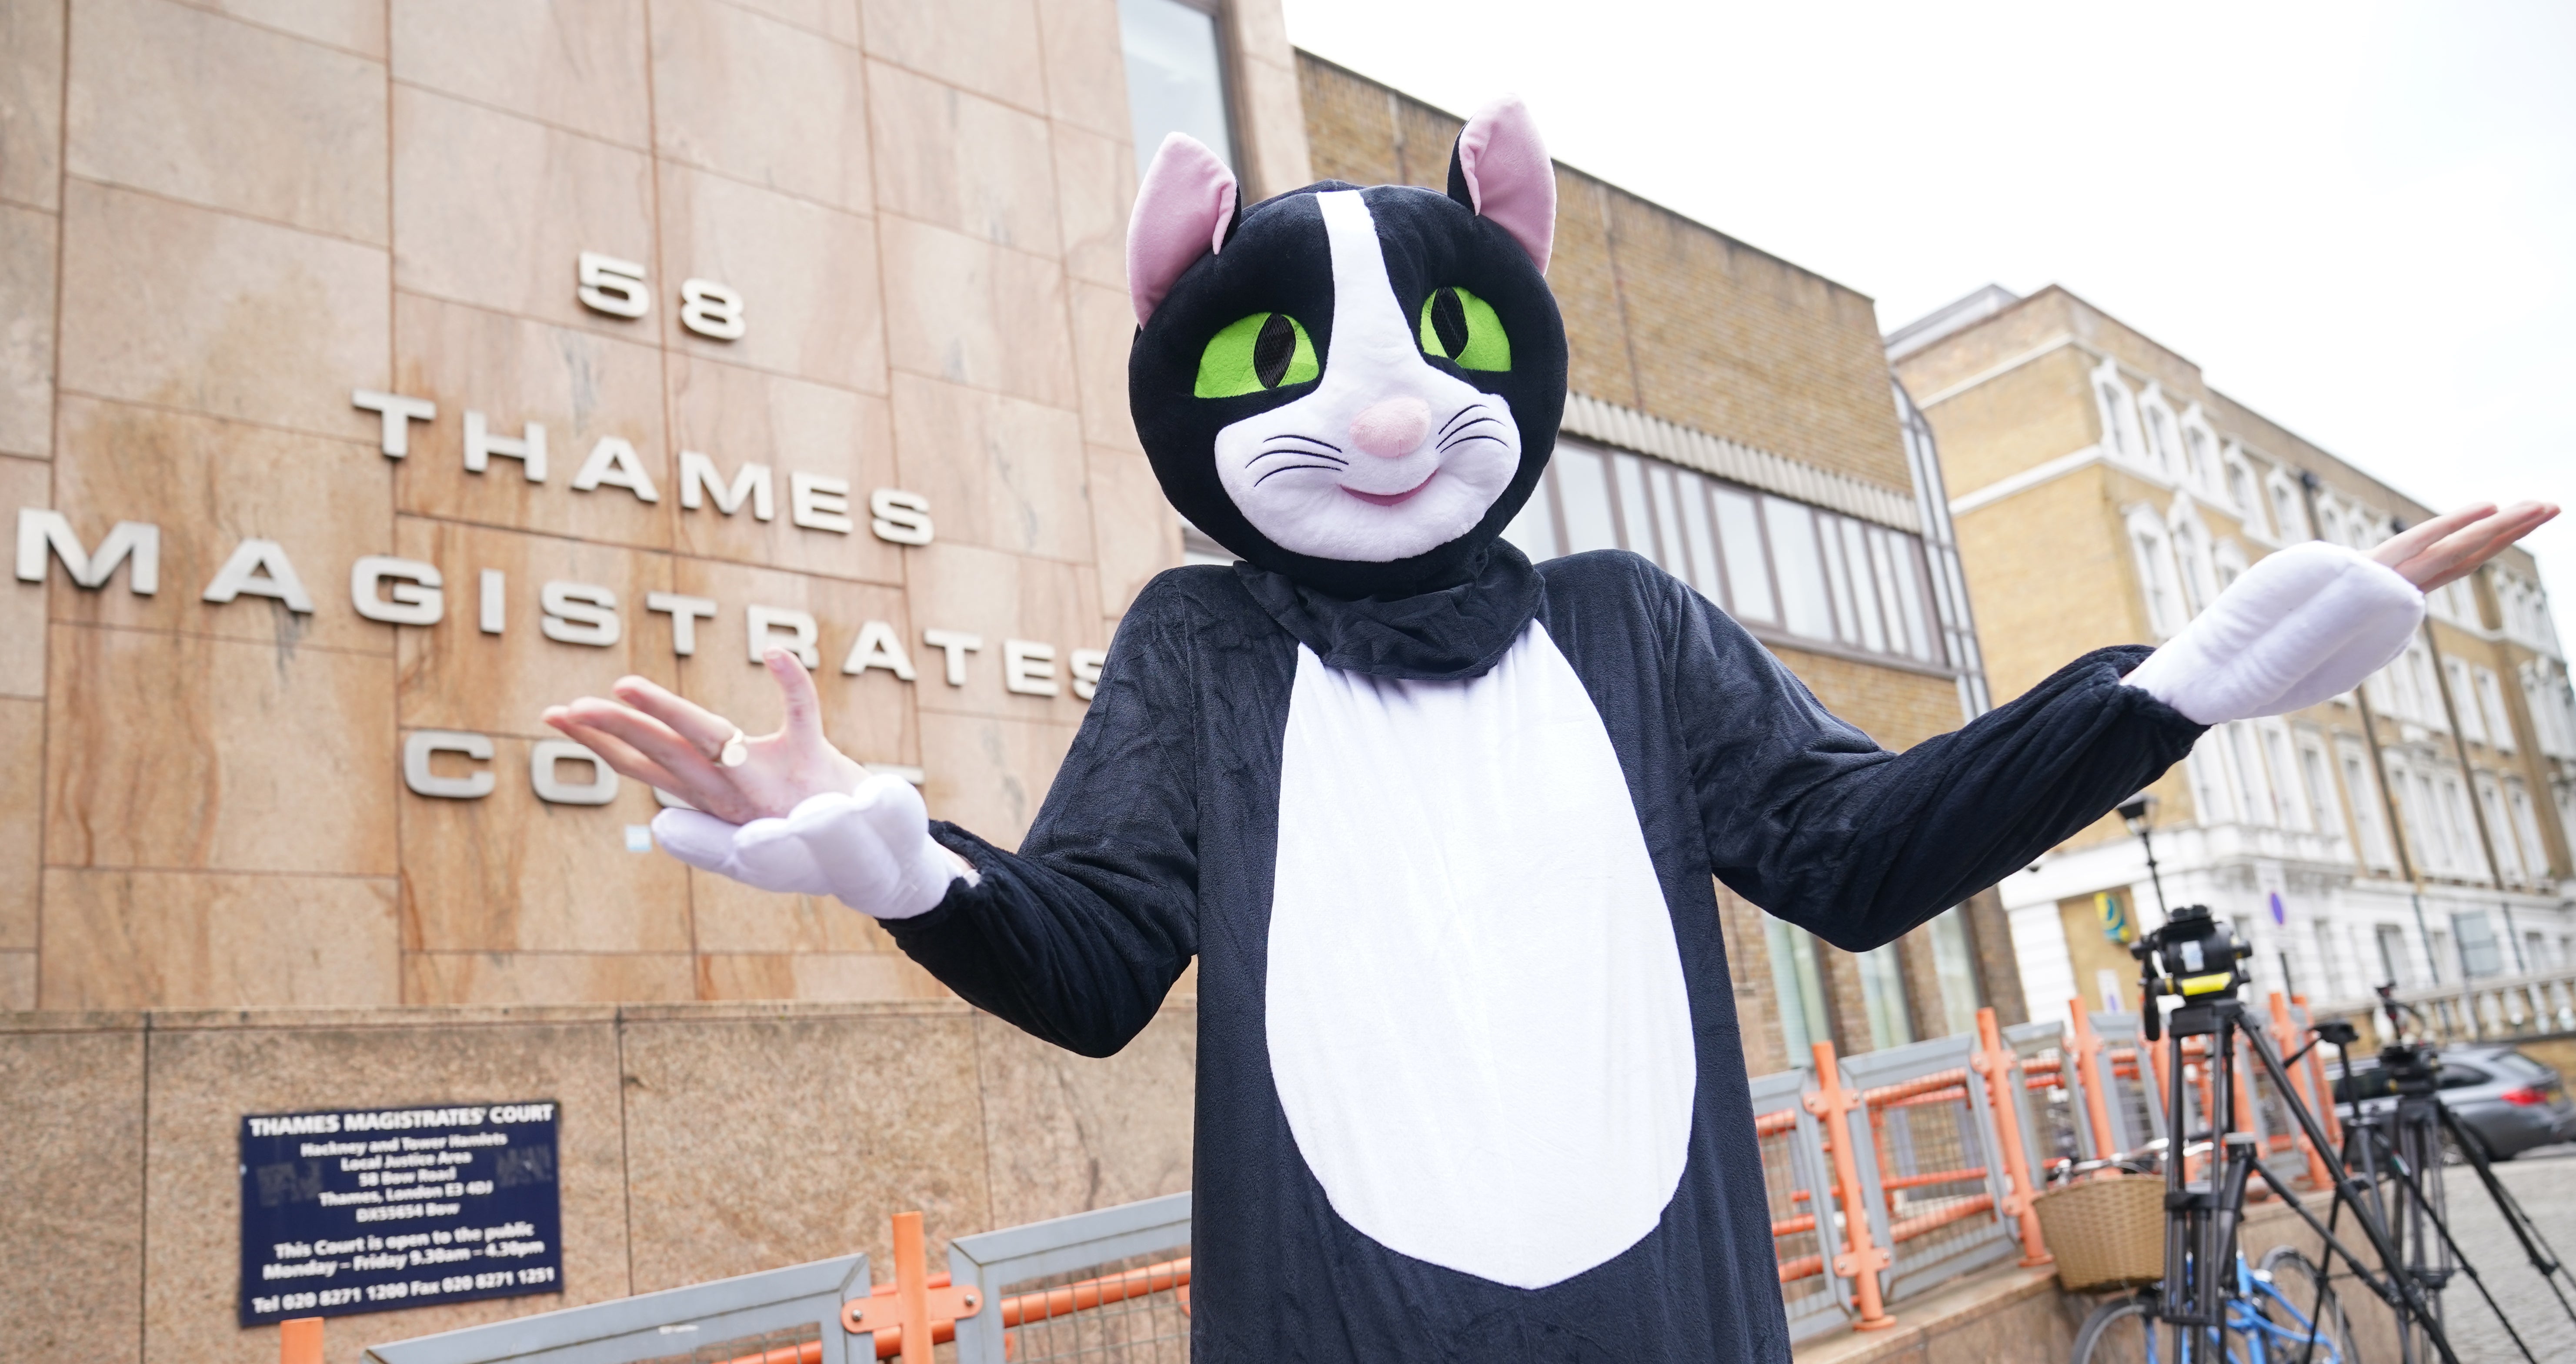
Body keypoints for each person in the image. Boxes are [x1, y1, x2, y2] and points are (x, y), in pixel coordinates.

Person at [547, 100, 2556, 1361]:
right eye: (1290, 367)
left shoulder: (1626, 624)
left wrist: (2160, 690)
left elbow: (1854, 858)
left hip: (1665, 1313)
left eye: (1441, 350)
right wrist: (903, 867)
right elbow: (1085, 962)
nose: (1395, 416)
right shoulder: (1206, 649)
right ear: (1192, 393)